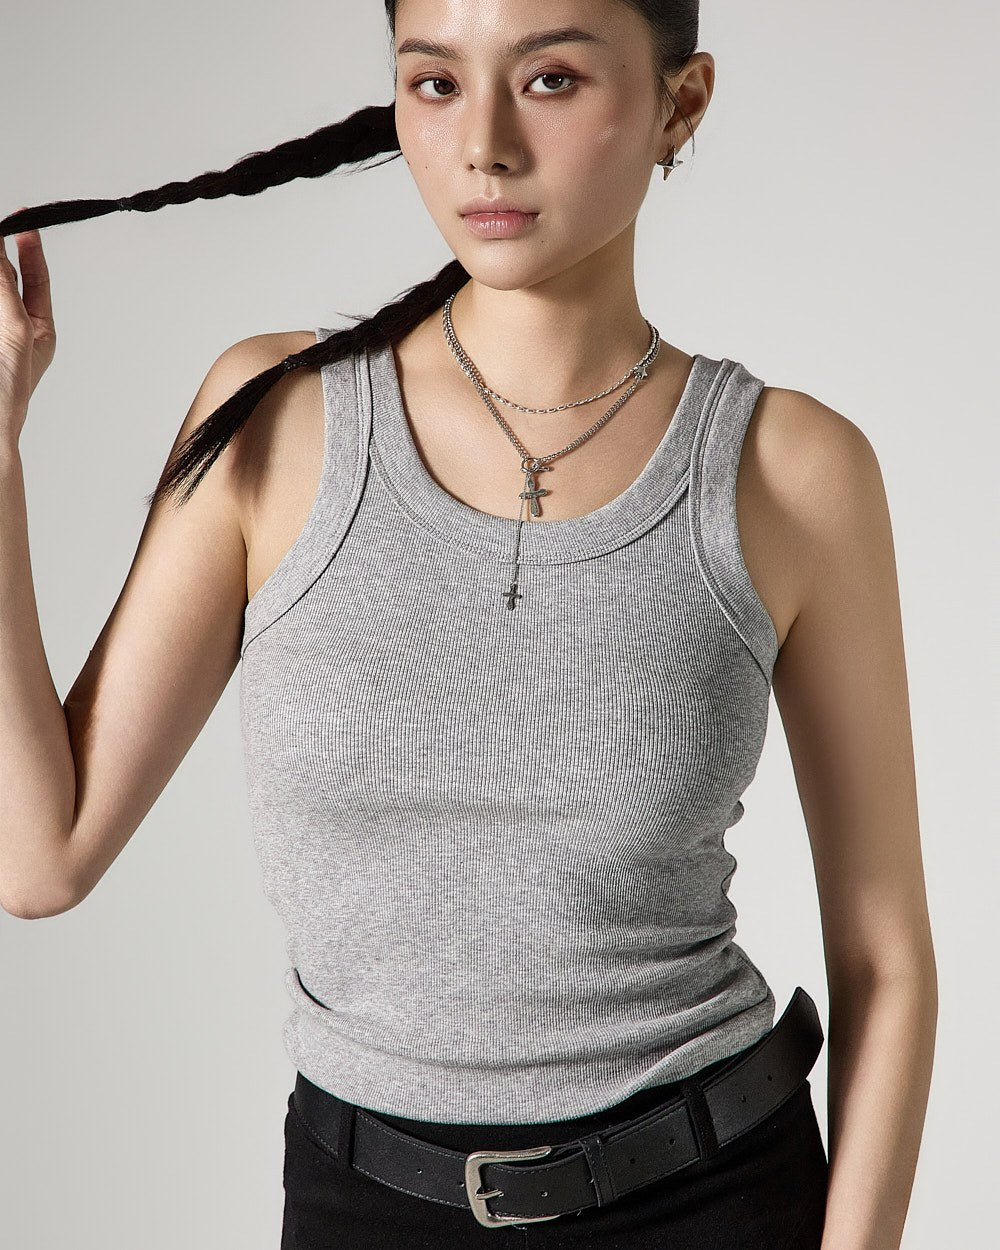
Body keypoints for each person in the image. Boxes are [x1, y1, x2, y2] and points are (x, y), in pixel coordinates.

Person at [0, 1, 938, 1247]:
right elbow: (41, 854)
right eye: (435, 83)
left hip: (710, 1196)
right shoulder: (275, 422)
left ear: (680, 104)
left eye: (549, 79)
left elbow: (885, 958)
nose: (483, 144)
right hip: (361, 1202)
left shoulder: (791, 471)